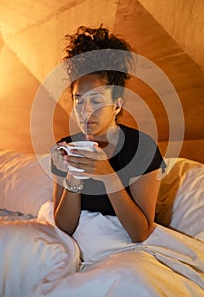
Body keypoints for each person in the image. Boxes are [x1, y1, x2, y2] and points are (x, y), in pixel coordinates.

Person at [51, 25, 166, 244]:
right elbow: (64, 227)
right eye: (79, 100)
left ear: (116, 105)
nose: (85, 111)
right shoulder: (65, 148)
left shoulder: (142, 148)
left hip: (123, 247)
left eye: (96, 101)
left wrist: (109, 176)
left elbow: (140, 232)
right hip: (80, 244)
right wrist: (73, 176)